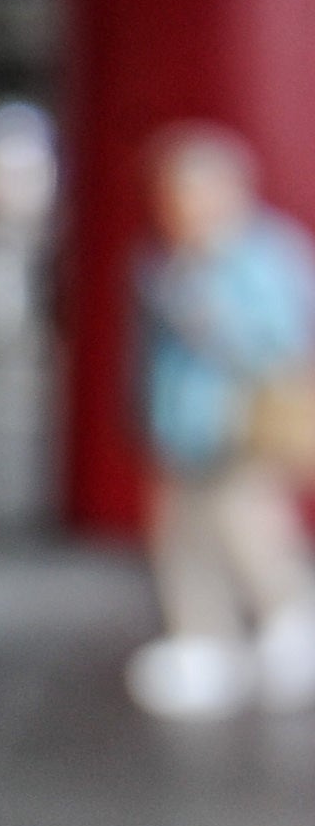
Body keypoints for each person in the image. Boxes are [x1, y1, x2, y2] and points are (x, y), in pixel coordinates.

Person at [128, 123, 315, 719]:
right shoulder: (170, 261)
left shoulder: (264, 255)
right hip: (180, 425)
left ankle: (287, 618)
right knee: (183, 541)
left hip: (237, 424)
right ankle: (203, 640)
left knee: (250, 529)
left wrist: (213, 318)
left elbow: (282, 340)